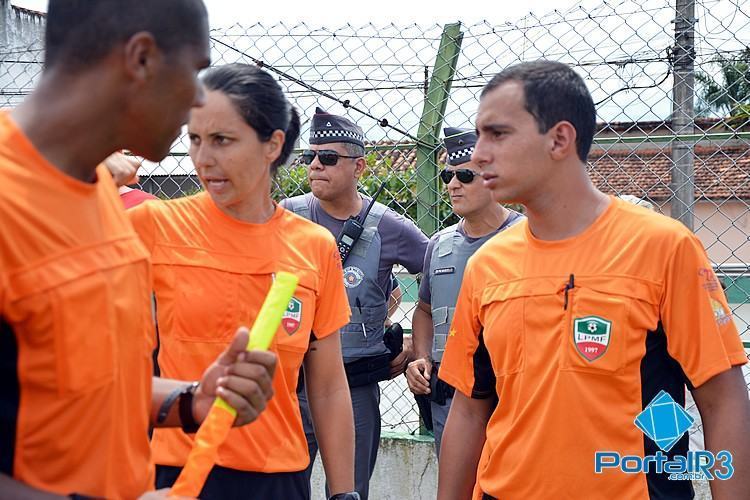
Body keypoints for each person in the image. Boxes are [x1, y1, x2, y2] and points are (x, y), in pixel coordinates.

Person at [0, 2, 277, 499]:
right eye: (193, 72)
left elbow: (85, 391)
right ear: (142, 58)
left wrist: (195, 399)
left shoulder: (99, 196)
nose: (197, 97)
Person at [437, 60, 750, 500]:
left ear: (560, 138)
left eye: (498, 134)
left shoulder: (662, 247)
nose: (479, 152)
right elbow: (470, 409)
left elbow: (721, 400)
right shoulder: (488, 265)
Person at [128, 63, 358, 500]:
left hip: (280, 477)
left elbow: (327, 385)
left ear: (272, 144)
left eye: (222, 141)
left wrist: (343, 492)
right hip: (176, 473)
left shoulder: (313, 246)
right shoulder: (153, 227)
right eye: (195, 139)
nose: (203, 158)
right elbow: (108, 370)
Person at [282, 107, 429, 499]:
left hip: (353, 385)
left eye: (328, 158)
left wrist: (419, 343)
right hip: (290, 386)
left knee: (349, 490)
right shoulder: (285, 217)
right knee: (281, 486)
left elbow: (437, 278)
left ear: (359, 166)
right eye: (309, 157)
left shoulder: (389, 227)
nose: (315, 165)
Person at [405, 127, 522, 456]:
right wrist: (421, 358)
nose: (453, 185)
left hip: (508, 393)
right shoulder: (439, 245)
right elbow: (425, 310)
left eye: (465, 176)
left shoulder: (525, 238)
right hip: (450, 396)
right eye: (447, 176)